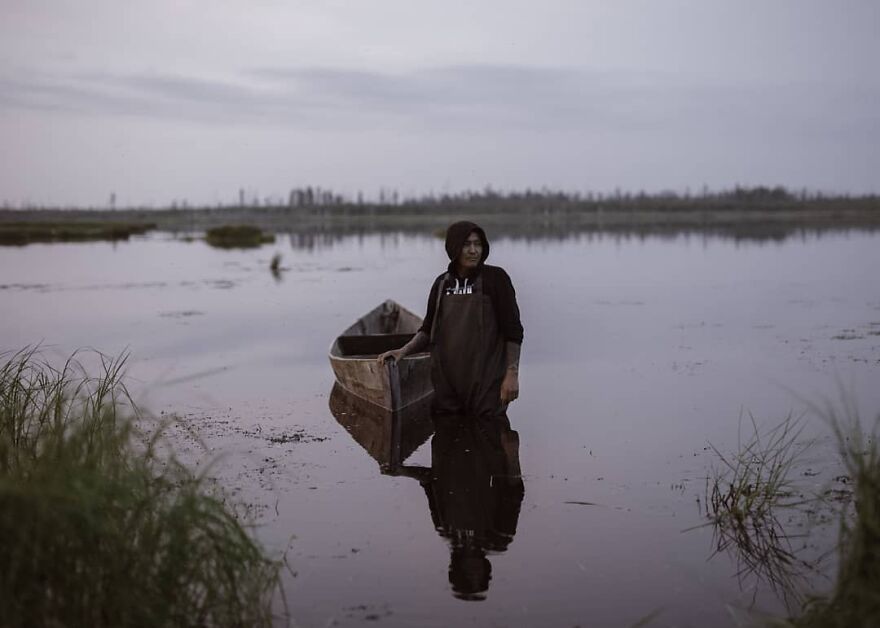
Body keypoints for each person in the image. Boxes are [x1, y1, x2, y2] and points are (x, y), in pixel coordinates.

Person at [377, 221, 523, 418]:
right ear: (454, 248)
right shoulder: (441, 284)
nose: (473, 250)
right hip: (447, 388)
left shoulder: (496, 279)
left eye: (478, 244)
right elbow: (427, 331)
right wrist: (402, 351)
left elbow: (513, 331)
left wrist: (512, 374)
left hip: (487, 387)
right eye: (466, 244)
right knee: (446, 441)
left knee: (490, 439)